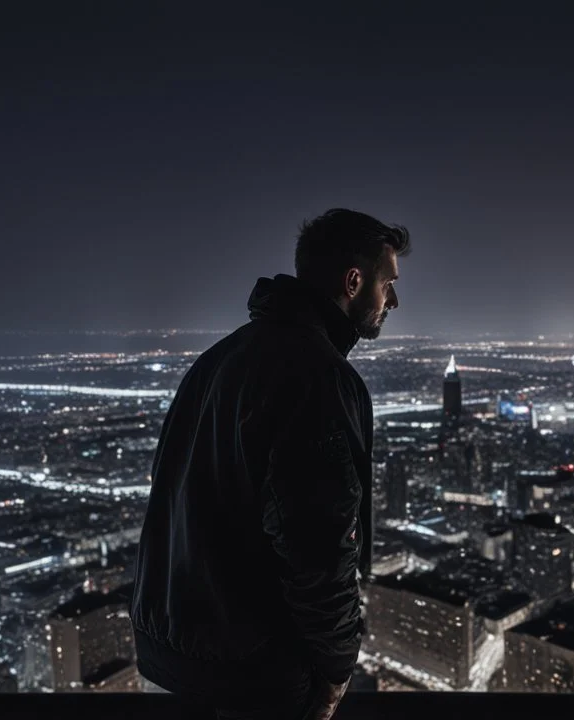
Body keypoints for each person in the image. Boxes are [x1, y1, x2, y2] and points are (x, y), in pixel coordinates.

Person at [131, 209, 410, 719]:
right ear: (354, 281)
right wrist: (335, 669)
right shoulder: (316, 376)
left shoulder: (216, 360)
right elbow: (318, 544)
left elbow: (169, 499)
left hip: (167, 658)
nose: (393, 299)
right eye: (387, 283)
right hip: (251, 673)